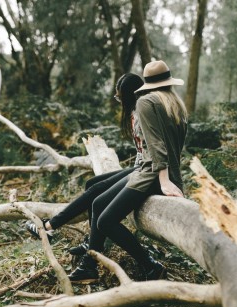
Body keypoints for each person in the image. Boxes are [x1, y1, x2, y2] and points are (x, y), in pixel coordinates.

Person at [68, 60, 188, 283]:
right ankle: (90, 264)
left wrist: (163, 180)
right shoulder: (174, 104)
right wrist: (170, 178)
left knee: (105, 220)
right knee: (97, 202)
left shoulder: (146, 102)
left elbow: (157, 146)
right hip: (164, 175)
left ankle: (149, 265)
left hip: (152, 176)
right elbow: (174, 149)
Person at [25, 73, 145, 255]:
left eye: (120, 97)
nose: (118, 101)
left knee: (97, 194)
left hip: (144, 171)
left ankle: (50, 226)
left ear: (129, 95)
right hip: (140, 167)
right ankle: (90, 240)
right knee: (92, 184)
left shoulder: (143, 114)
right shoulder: (136, 112)